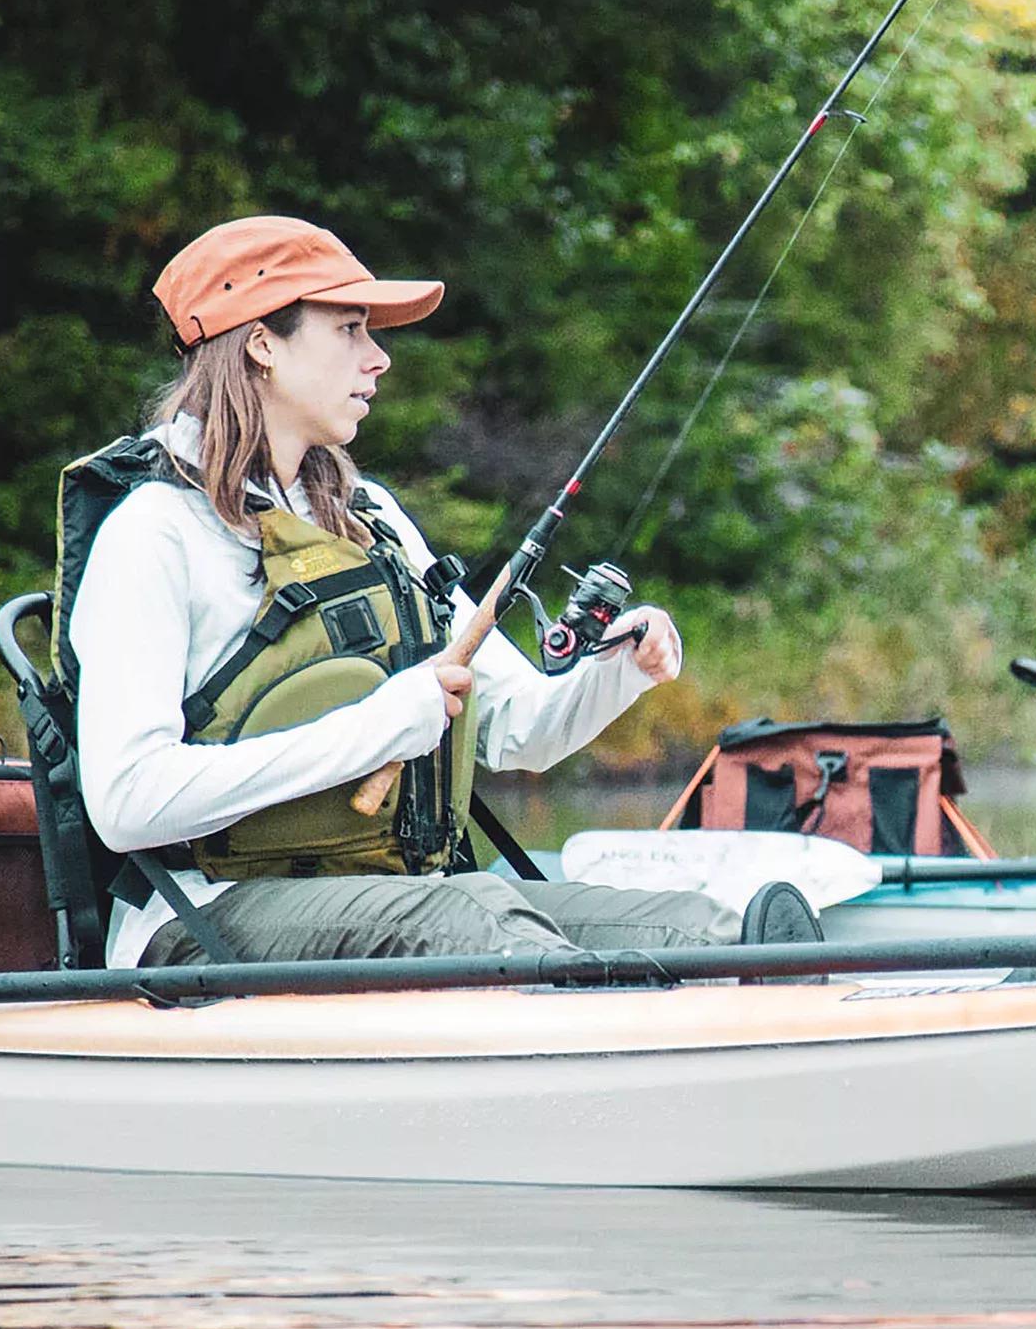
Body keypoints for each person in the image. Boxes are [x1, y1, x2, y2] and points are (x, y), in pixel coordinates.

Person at [67, 213, 747, 969]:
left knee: (706, 929)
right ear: (262, 342)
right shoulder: (155, 533)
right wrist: (380, 726)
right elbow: (128, 801)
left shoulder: (373, 517)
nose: (378, 358)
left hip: (407, 900)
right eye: (350, 330)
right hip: (202, 916)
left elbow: (519, 730)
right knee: (479, 917)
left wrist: (618, 667)